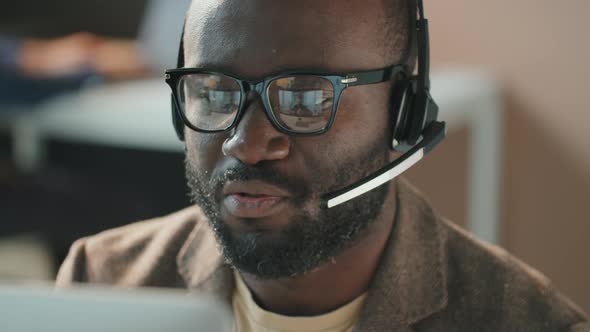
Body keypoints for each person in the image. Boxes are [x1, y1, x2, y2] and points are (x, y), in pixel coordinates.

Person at [56, 0, 589, 331]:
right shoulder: (100, 284)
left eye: (305, 98)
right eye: (215, 92)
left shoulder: (524, 322)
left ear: (403, 114)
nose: (246, 142)